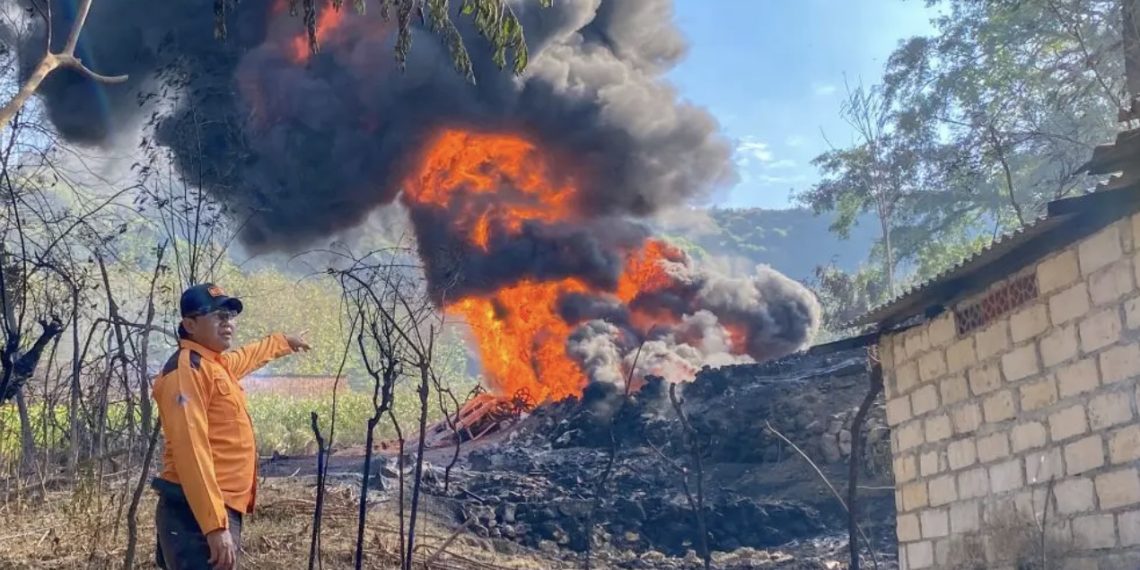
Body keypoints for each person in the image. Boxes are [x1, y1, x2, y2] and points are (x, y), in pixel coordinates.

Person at [152, 283, 311, 570]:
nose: (228, 323)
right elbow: (192, 451)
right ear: (190, 323)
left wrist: (284, 341)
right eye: (217, 316)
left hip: (214, 508)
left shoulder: (214, 365)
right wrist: (213, 526)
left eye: (230, 316)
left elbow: (247, 356)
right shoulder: (187, 371)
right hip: (194, 514)